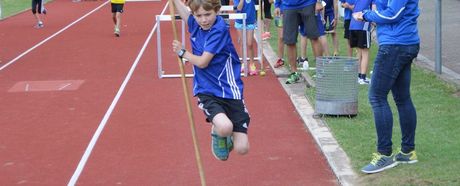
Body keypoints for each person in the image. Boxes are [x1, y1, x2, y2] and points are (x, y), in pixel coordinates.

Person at [171, 0, 251, 161]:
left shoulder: (219, 29)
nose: (203, 20)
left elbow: (202, 62)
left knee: (242, 149)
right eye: (199, 15)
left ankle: (222, 132)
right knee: (225, 127)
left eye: (207, 14)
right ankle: (219, 131)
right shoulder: (197, 24)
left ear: (217, 11)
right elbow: (187, 15)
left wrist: (182, 52)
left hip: (231, 90)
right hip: (207, 89)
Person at [353, 0, 421, 173]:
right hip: (402, 42)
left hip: (395, 45)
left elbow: (393, 14)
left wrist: (365, 15)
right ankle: (407, 151)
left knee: (376, 97)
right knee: (402, 98)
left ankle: (384, 154)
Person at [274, 0, 323, 84]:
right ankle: (294, 73)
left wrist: (318, 1)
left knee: (314, 37)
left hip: (308, 3)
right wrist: (277, 5)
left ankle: (321, 71)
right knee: (289, 40)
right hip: (288, 6)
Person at [349, 0, 374, 85]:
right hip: (363, 26)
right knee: (365, 52)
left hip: (353, 25)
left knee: (359, 51)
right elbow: (374, 10)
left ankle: (358, 76)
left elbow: (350, 5)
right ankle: (362, 78)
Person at [234, 0, 258, 75]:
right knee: (242, 43)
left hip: (250, 21)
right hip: (240, 21)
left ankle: (252, 64)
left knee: (250, 43)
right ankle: (243, 63)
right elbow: (239, 8)